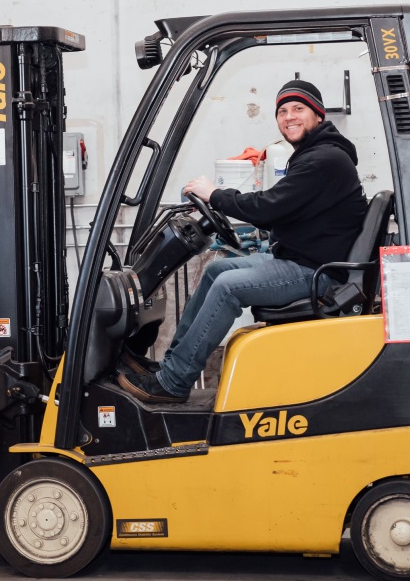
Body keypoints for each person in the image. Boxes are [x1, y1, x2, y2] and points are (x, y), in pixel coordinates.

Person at [118, 79, 369, 404]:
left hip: (317, 274)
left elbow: (267, 208)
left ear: (318, 115)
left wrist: (216, 195)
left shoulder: (323, 160)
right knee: (214, 272)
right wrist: (221, 201)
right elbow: (276, 205)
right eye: (282, 111)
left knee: (228, 286)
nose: (289, 117)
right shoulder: (314, 155)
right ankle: (171, 369)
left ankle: (174, 382)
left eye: (298, 109)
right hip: (300, 259)